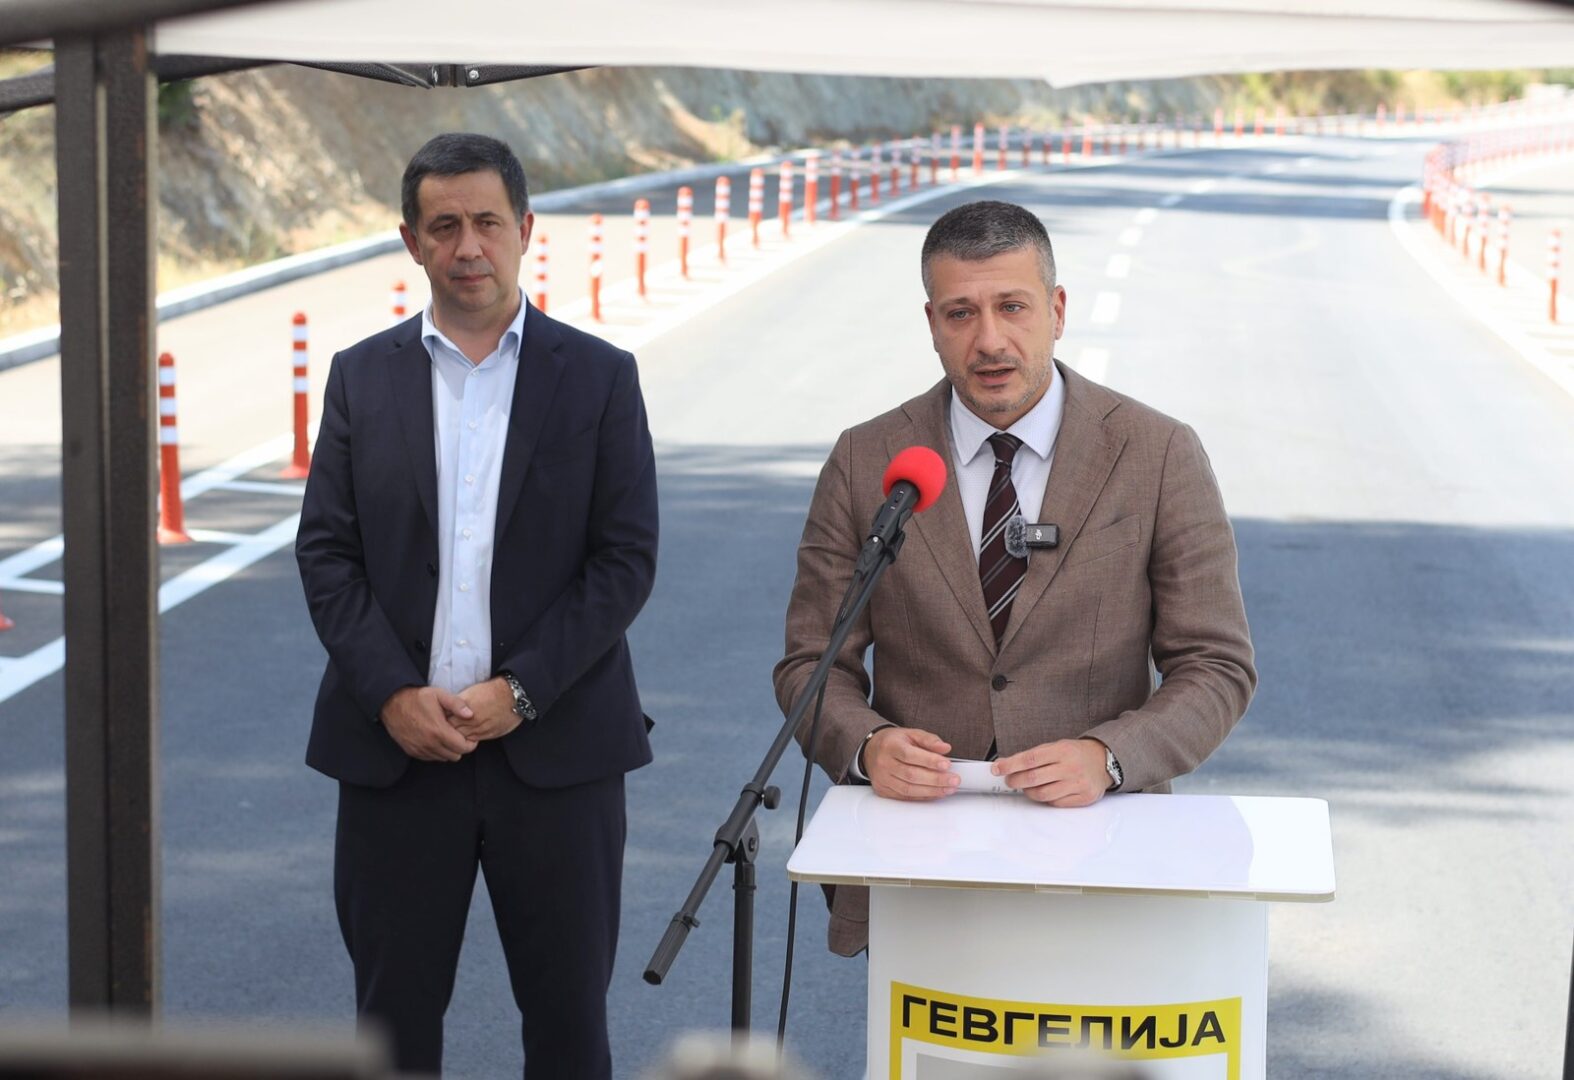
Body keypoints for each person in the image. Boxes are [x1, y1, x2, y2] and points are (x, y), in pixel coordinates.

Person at [772, 200, 1255, 958]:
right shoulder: (867, 460)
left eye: (1013, 307)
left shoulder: (1159, 453)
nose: (990, 340)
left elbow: (1217, 667)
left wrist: (1109, 757)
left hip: (1105, 851)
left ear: (1057, 311)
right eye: (961, 313)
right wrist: (867, 746)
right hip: (915, 865)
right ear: (932, 324)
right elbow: (811, 663)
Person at [296, 132, 659, 1077]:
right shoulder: (361, 377)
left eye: (488, 223)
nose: (469, 247)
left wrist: (521, 691)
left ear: (525, 229)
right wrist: (390, 694)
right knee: (392, 1032)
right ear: (411, 241)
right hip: (397, 759)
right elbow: (327, 553)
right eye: (445, 226)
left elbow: (624, 560)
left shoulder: (599, 377)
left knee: (570, 1029)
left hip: (558, 758)